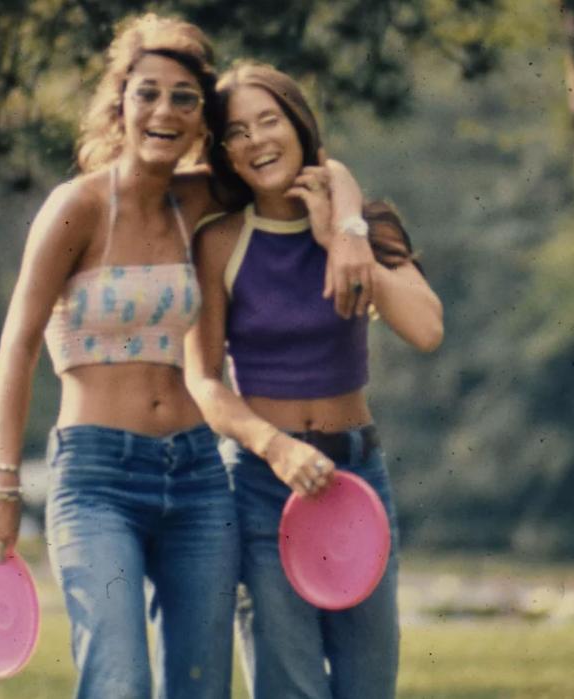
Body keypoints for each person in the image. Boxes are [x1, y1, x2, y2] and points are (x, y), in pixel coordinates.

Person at [0, 15, 239, 699]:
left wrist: (351, 225)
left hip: (200, 476)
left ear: (202, 119)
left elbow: (302, 161)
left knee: (201, 687)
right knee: (118, 679)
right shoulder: (76, 208)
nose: (165, 111)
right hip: (97, 480)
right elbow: (17, 347)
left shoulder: (199, 199)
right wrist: (1, 482)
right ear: (120, 102)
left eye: (185, 97)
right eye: (148, 92)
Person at [185, 63, 444, 699]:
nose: (257, 140)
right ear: (224, 152)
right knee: (289, 687)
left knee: (367, 688)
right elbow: (203, 381)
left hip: (358, 480)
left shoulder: (370, 224)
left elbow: (427, 328)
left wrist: (345, 239)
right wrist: (276, 449)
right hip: (263, 487)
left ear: (300, 126)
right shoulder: (219, 242)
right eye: (237, 132)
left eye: (269, 120)